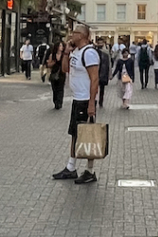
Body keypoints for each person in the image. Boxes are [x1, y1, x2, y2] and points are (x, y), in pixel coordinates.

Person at [52, 25, 100, 184]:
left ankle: (90, 170)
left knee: (88, 135)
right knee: (75, 133)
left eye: (75, 33)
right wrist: (66, 51)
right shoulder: (76, 52)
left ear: (84, 36)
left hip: (85, 99)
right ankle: (71, 167)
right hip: (77, 99)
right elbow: (65, 69)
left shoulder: (89, 53)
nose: (72, 35)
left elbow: (95, 79)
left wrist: (92, 103)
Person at [46, 40, 66, 110]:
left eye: (62, 46)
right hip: (54, 73)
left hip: (61, 74)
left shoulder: (64, 56)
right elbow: (48, 65)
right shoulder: (52, 55)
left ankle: (59, 103)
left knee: (60, 89)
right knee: (54, 89)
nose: (61, 47)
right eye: (60, 46)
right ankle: (55, 101)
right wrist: (53, 63)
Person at [95, 38, 112, 109]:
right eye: (99, 43)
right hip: (95, 72)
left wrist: (109, 73)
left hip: (103, 72)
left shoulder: (106, 52)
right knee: (94, 88)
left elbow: (109, 63)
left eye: (101, 43)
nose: (100, 44)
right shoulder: (94, 51)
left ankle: (100, 102)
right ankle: (94, 101)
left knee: (102, 89)